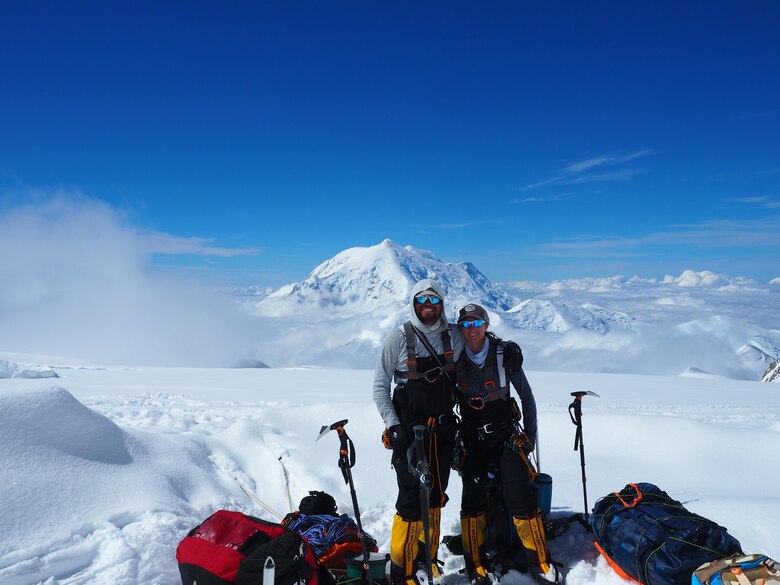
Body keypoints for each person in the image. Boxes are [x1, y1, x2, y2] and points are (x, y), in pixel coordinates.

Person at [454, 303, 558, 585]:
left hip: (505, 437)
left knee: (519, 495)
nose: (471, 329)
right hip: (472, 437)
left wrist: (530, 440)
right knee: (472, 498)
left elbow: (527, 396)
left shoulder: (503, 354)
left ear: (486, 325)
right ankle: (475, 563)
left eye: (477, 323)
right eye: (465, 324)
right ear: (460, 328)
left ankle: (540, 561)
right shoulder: (454, 357)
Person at [373, 278, 465, 585]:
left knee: (436, 495)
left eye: (434, 301)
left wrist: (507, 350)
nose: (428, 307)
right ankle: (402, 569)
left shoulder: (454, 335)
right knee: (411, 498)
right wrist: (393, 426)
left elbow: (481, 342)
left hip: (442, 430)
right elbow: (379, 387)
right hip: (408, 432)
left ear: (441, 303)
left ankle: (428, 558)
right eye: (422, 301)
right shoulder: (397, 339)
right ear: (414, 304)